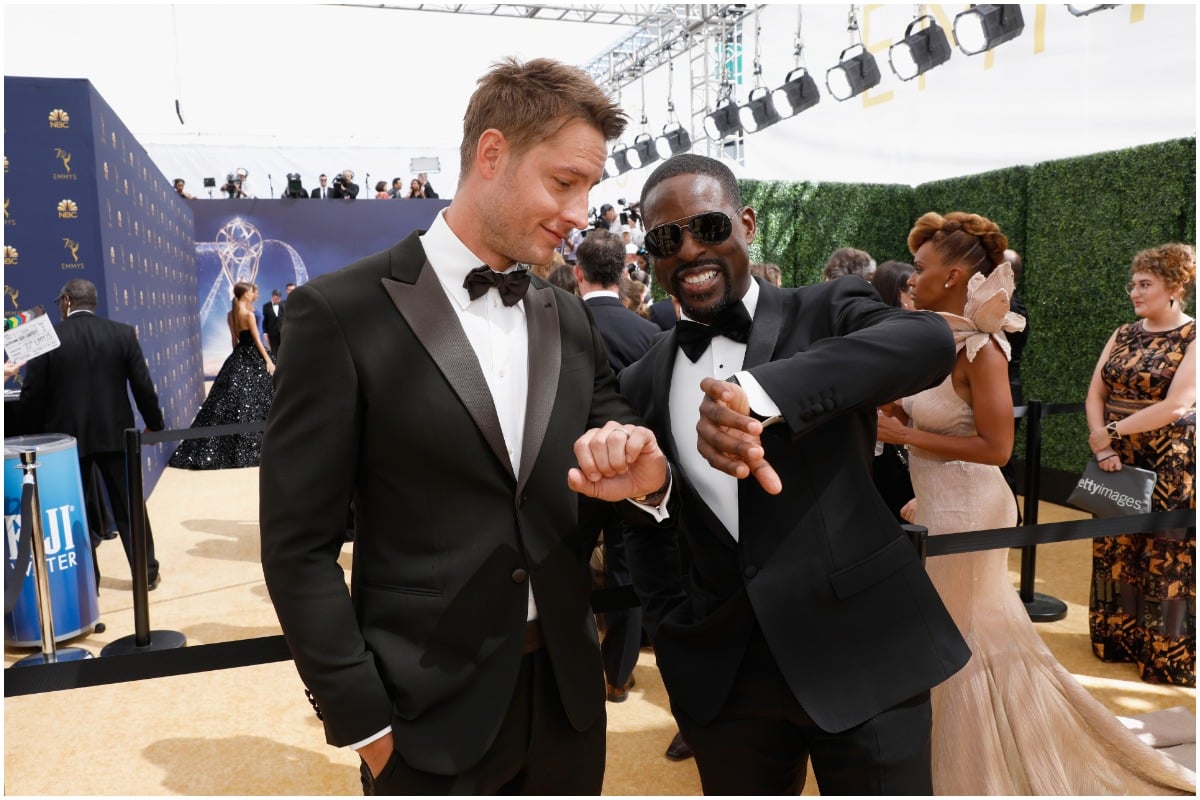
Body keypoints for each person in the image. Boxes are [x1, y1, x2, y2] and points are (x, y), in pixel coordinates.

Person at [259, 57, 671, 796]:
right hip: (423, 725)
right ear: (492, 155)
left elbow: (620, 434)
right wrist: (367, 729)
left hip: (569, 714)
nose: (582, 214)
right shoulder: (339, 314)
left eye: (590, 189)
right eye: (565, 182)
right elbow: (297, 547)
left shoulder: (569, 316)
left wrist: (649, 476)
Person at [618, 154, 970, 795]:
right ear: (650, 253)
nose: (690, 249)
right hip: (725, 681)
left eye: (708, 226)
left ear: (746, 223)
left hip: (864, 655)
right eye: (667, 238)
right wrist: (672, 631)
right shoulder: (641, 379)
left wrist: (760, 393)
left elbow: (928, 343)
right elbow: (645, 522)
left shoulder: (829, 307)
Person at [876, 212, 1194, 794]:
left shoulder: (984, 351)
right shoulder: (939, 341)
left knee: (964, 636)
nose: (911, 279)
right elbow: (932, 416)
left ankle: (974, 767)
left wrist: (904, 436)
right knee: (965, 631)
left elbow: (997, 448)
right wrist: (894, 415)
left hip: (971, 509)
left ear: (951, 276)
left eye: (920, 269)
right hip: (940, 503)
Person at [1085, 242, 1195, 687]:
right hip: (1116, 459)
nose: (1135, 292)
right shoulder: (1123, 332)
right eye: (1133, 284)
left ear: (1175, 286)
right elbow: (1096, 394)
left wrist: (1110, 434)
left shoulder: (1194, 337)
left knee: (1164, 559)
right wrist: (1103, 449)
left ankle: (1162, 652)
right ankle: (1115, 638)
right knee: (1114, 552)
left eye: (1145, 284)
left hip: (1171, 460)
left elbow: (1178, 405)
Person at [19, 278, 165, 590]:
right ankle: (147, 573)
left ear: (66, 302)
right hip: (117, 436)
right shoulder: (122, 333)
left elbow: (33, 394)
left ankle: (88, 581)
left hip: (65, 443)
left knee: (77, 513)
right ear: (92, 303)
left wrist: (31, 436)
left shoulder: (48, 338)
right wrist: (155, 423)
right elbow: (142, 385)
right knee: (130, 506)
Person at [571, 228, 661, 704]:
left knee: (566, 568)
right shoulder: (649, 333)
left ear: (577, 273)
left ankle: (571, 665)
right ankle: (618, 674)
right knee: (627, 574)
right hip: (634, 477)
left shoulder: (556, 326)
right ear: (624, 274)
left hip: (574, 476)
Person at [169, 281, 275, 470]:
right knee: (261, 394)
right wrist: (268, 360)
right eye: (251, 292)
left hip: (238, 355)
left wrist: (236, 362)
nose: (253, 295)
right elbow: (257, 340)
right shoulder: (249, 314)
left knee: (228, 400)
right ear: (244, 294)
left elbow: (234, 340)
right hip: (252, 353)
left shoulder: (231, 315)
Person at [867, 259, 916, 523]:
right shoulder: (887, 337)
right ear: (896, 293)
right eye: (909, 288)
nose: (916, 291)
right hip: (887, 447)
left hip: (903, 445)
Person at [262, 289, 284, 353]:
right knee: (274, 352)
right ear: (272, 297)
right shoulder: (266, 306)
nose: (278, 300)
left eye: (279, 299)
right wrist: (265, 332)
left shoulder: (283, 305)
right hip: (272, 333)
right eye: (276, 298)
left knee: (284, 352)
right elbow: (265, 320)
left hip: (282, 333)